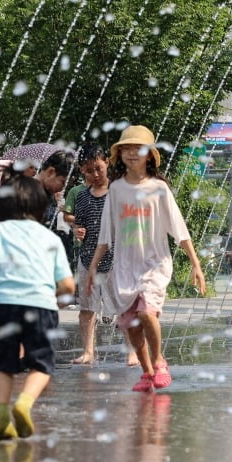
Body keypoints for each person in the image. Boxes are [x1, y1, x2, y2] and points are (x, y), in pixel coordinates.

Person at [87, 125, 206, 391]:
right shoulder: (115, 190)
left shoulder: (159, 189)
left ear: (149, 156)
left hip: (155, 263)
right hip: (125, 267)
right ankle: (147, 372)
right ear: (119, 155)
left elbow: (179, 229)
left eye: (137, 149)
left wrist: (196, 265)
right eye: (126, 149)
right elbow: (105, 235)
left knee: (147, 312)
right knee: (130, 324)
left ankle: (159, 361)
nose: (132, 153)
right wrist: (93, 268)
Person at [0, 175, 74, 440]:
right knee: (42, 365)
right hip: (40, 306)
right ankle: (23, 403)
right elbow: (68, 285)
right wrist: (52, 295)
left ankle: (1, 415)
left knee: (3, 365)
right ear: (39, 207)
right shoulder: (50, 238)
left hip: (1, 306)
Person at [64, 143, 113, 365]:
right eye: (89, 170)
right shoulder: (82, 196)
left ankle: (133, 352)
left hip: (116, 259)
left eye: (98, 168)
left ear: (108, 164)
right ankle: (88, 351)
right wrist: (78, 230)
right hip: (87, 258)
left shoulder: (118, 193)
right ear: (82, 170)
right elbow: (79, 224)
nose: (94, 174)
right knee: (87, 309)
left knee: (126, 308)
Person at [37, 150, 76, 270]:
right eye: (63, 183)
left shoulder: (47, 194)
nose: (62, 189)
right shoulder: (28, 193)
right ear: (50, 172)